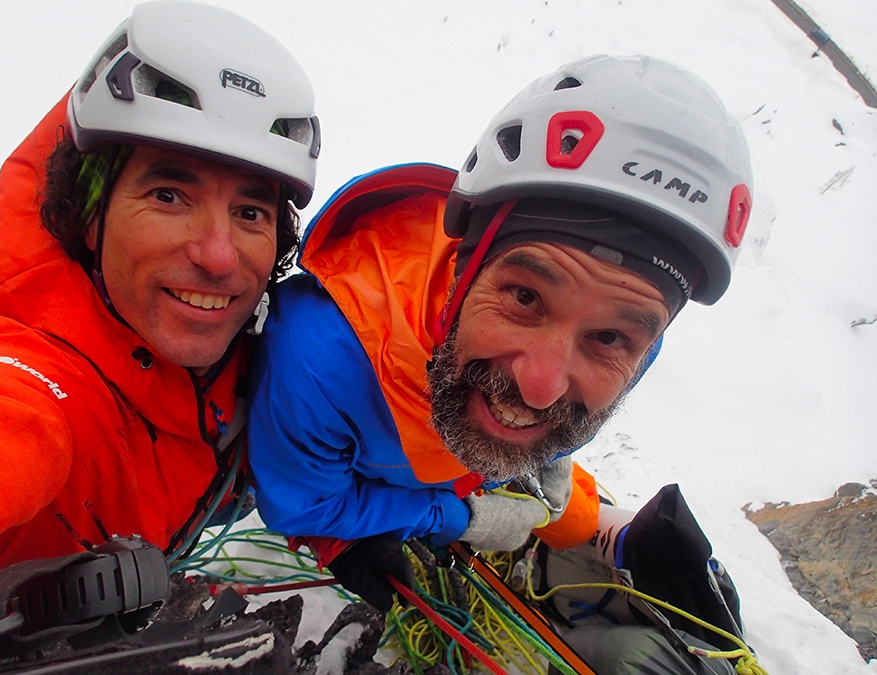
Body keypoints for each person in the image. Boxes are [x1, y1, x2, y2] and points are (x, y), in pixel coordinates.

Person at [248, 53, 753, 617]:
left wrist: (532, 462)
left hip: (456, 443)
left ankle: (598, 530)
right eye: (525, 297)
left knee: (564, 505)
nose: (542, 386)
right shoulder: (323, 357)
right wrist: (458, 518)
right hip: (389, 470)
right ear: (466, 264)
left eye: (608, 338)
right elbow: (307, 506)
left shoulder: (625, 347)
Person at [0, 0, 320, 573]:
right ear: (88, 214)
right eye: (169, 196)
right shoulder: (32, 391)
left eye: (251, 212)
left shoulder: (248, 347)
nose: (218, 256)